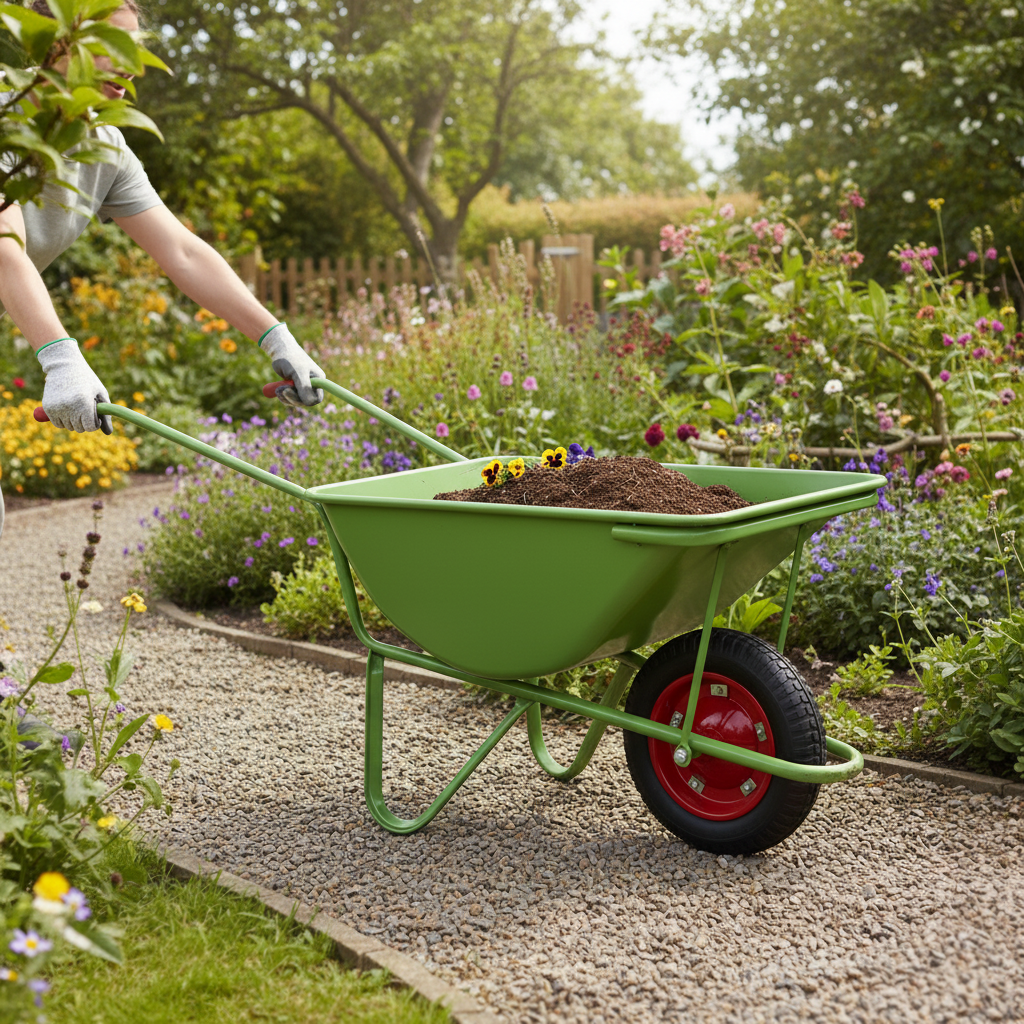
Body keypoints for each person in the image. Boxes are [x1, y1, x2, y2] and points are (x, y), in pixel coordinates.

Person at [0, 1, 324, 541]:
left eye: (135, 49)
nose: (131, 66)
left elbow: (181, 251)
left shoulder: (105, 147)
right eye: (111, 47)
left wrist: (276, 338)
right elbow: (5, 246)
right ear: (54, 45)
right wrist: (60, 358)